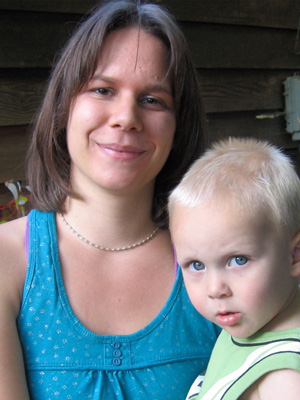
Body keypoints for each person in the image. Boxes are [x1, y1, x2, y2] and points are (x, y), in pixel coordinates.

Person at [0, 1, 220, 399]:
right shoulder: (8, 261)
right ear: (65, 107)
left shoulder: (216, 259)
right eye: (103, 90)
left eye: (153, 99)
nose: (126, 117)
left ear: (178, 126)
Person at [168, 137, 300, 400]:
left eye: (238, 260)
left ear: (295, 255)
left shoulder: (286, 377)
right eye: (196, 265)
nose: (215, 289)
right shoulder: (259, 325)